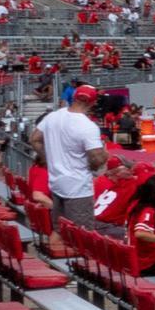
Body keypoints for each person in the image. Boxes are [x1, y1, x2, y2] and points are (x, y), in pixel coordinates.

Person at [33, 81, 109, 228]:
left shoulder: (53, 116)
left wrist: (49, 159)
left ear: (74, 97)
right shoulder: (87, 126)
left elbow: (34, 139)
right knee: (81, 236)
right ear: (92, 102)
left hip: (57, 183)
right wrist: (105, 154)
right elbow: (97, 160)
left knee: (59, 230)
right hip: (78, 188)